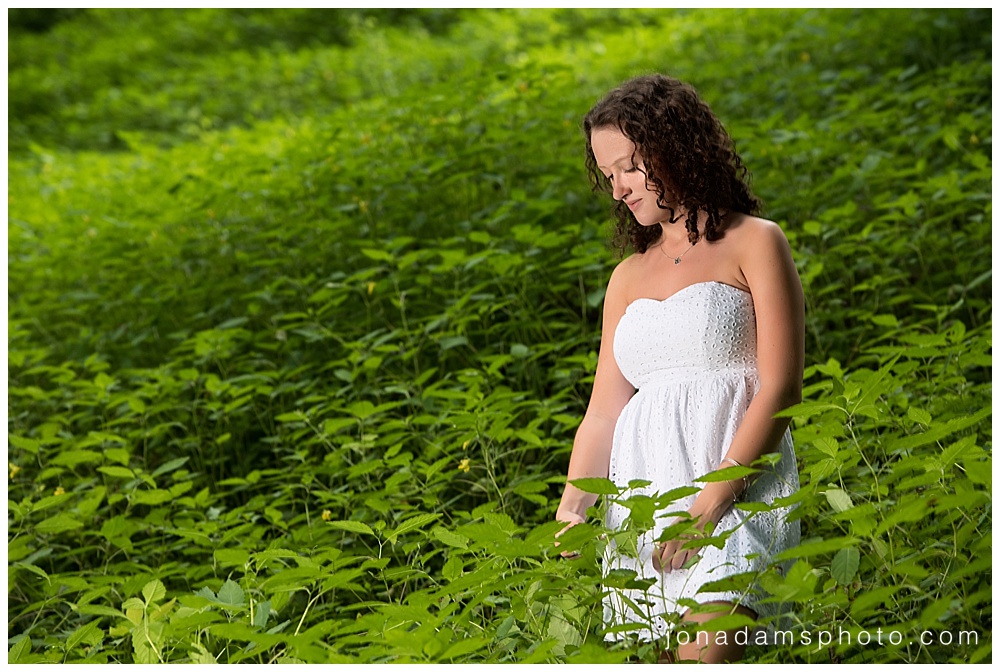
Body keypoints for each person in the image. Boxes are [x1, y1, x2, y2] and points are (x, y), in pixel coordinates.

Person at [555, 74, 803, 663]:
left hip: (736, 491)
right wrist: (572, 510)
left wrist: (711, 504)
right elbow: (603, 412)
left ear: (675, 147)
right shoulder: (627, 277)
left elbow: (781, 387)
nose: (618, 190)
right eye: (606, 174)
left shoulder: (755, 242)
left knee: (708, 650)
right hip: (642, 498)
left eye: (630, 167)